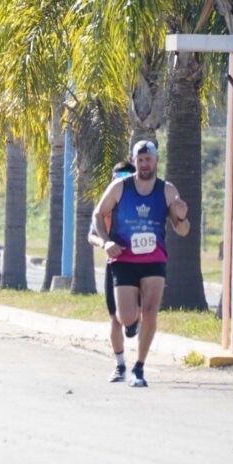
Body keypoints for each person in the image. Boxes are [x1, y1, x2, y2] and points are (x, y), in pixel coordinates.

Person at [91, 141, 190, 388]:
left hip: (154, 260)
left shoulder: (166, 190)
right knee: (125, 317)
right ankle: (131, 324)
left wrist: (182, 215)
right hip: (123, 258)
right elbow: (97, 214)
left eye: (149, 159)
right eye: (141, 160)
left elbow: (183, 230)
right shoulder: (120, 187)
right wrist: (106, 242)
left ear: (156, 161)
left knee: (150, 312)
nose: (145, 164)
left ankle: (139, 367)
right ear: (134, 161)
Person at [87, 161, 138, 382]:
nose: (120, 184)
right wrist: (104, 243)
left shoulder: (143, 202)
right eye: (116, 179)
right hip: (115, 264)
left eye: (125, 179)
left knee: (138, 311)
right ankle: (119, 366)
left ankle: (134, 320)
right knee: (115, 319)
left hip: (142, 265)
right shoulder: (104, 207)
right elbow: (91, 235)